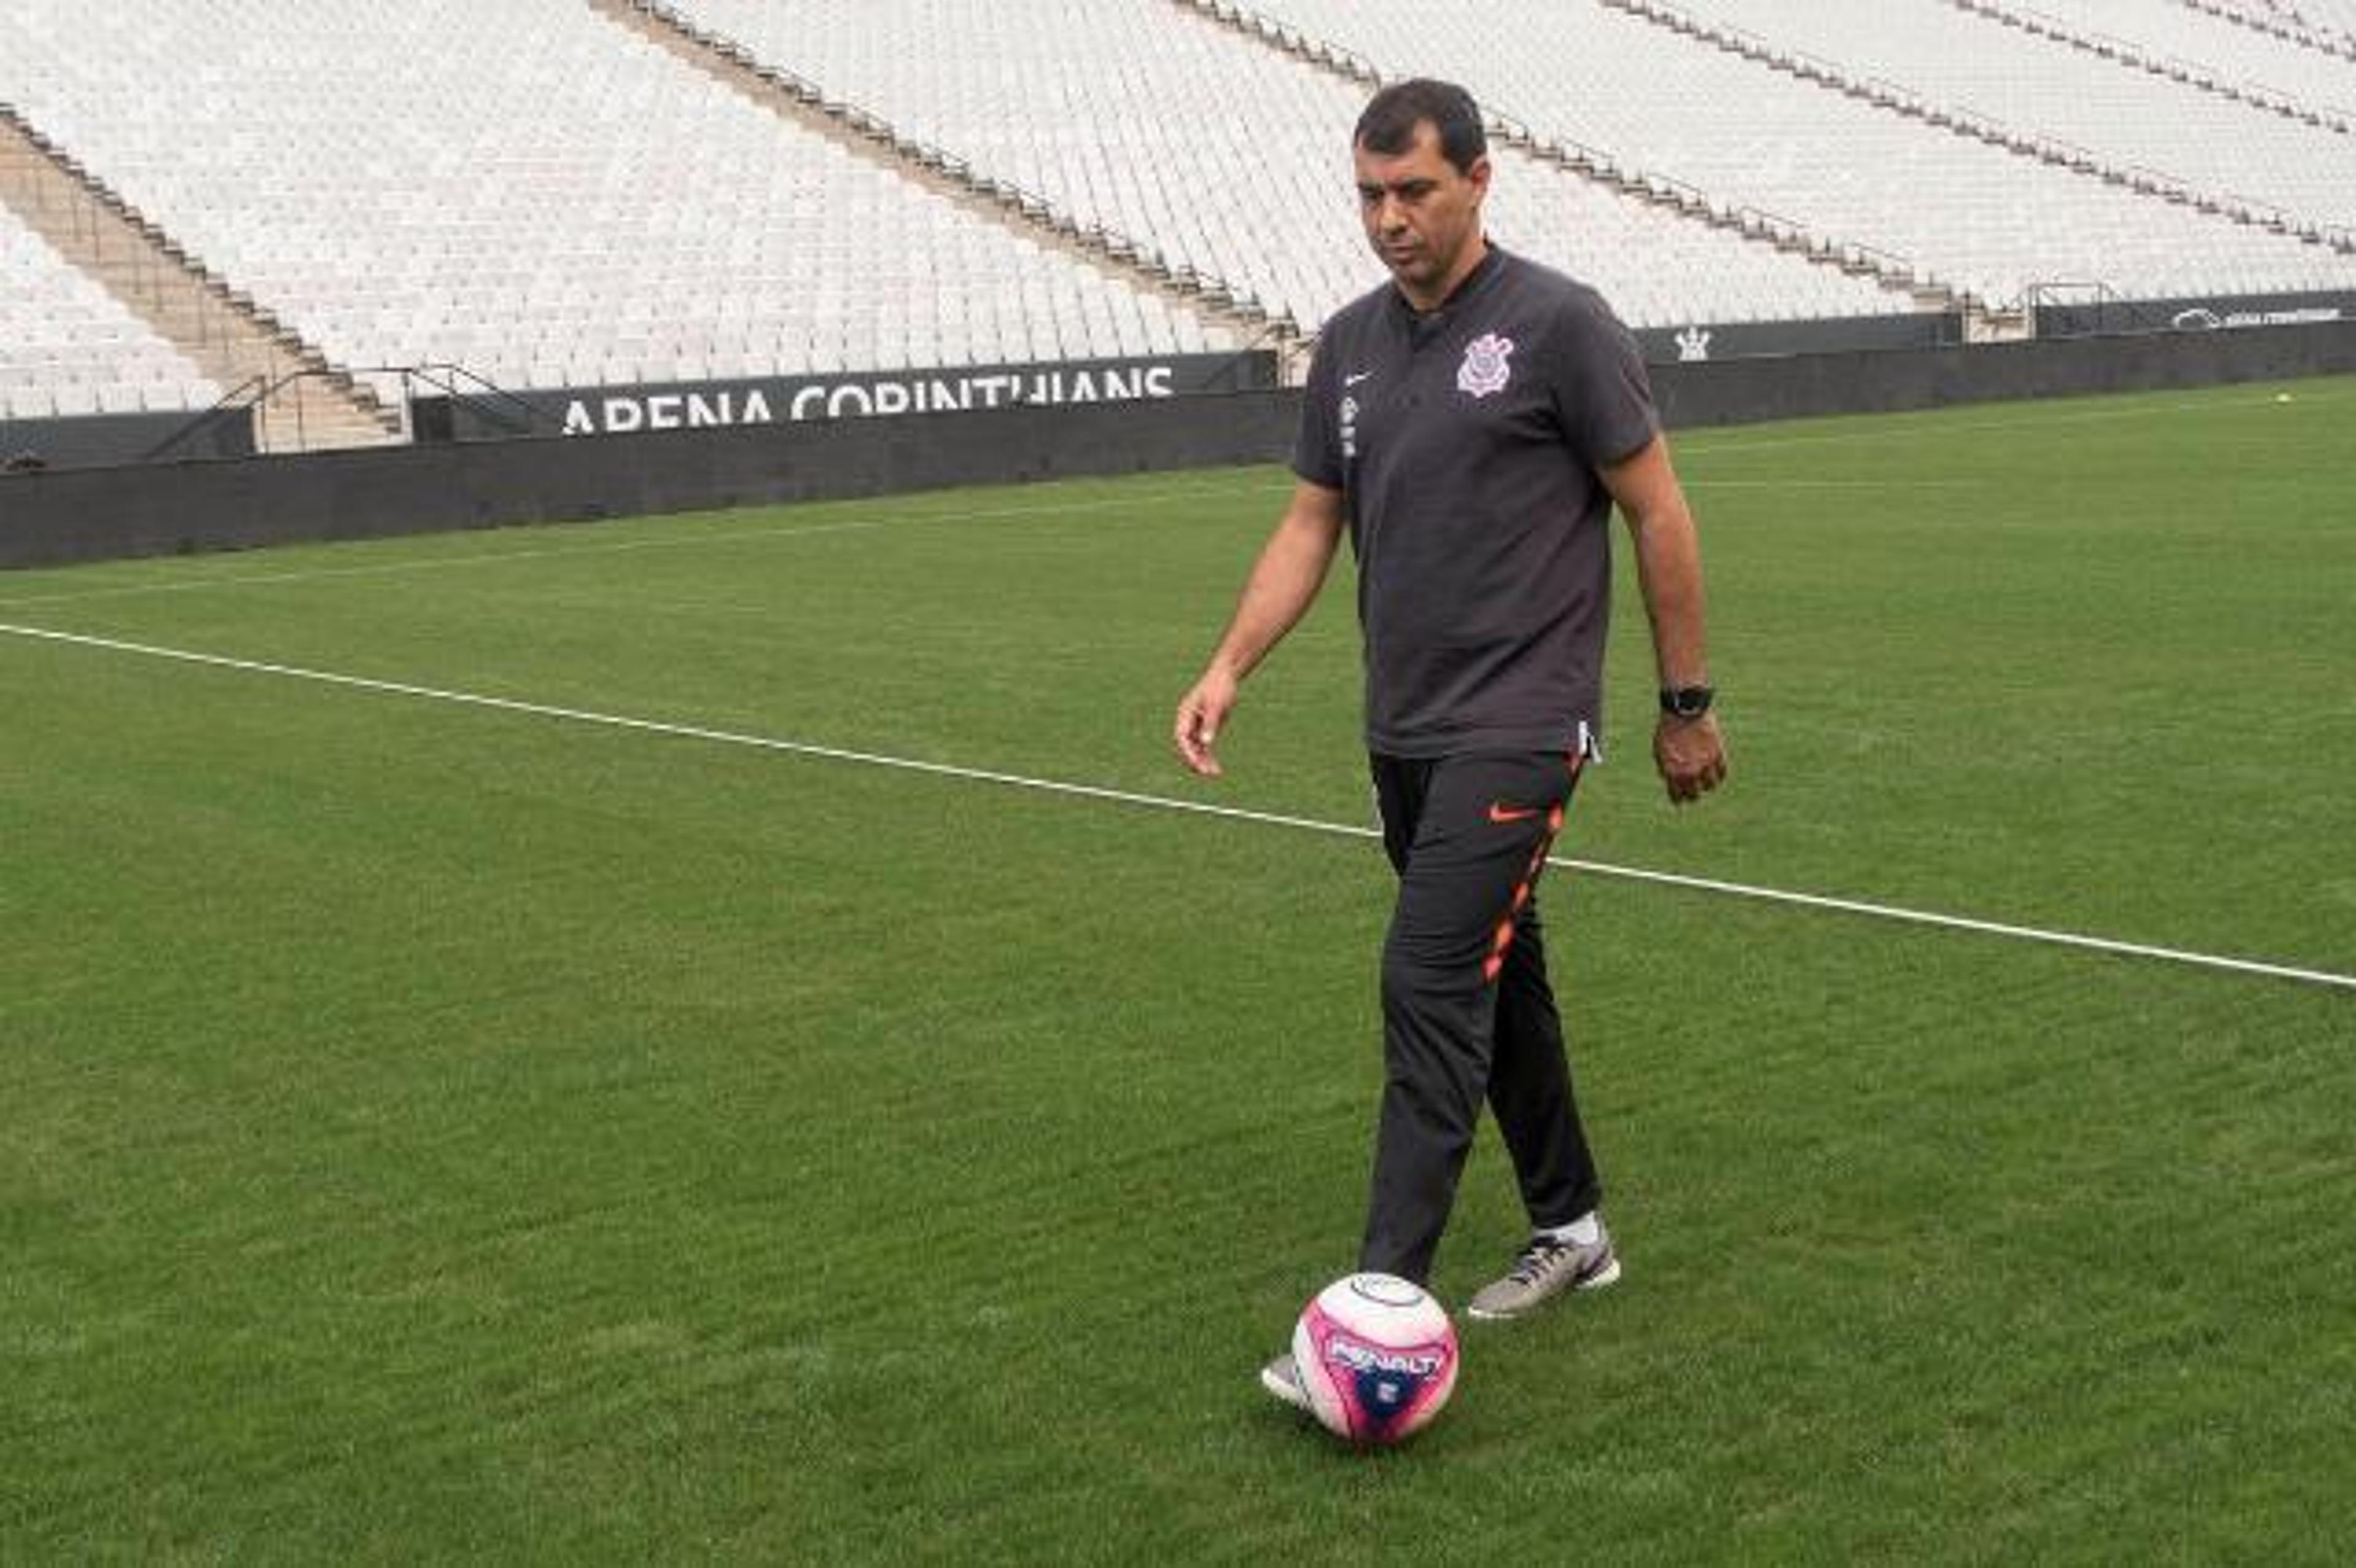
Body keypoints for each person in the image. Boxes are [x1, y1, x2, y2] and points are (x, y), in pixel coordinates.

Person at [1169, 79, 1727, 1408]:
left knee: (1427, 980)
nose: (1390, 219)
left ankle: (1374, 1319)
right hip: (1404, 728)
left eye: (1414, 191)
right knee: (1495, 970)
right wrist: (1229, 664)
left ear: (1481, 179)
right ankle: (1573, 1228)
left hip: (1525, 723)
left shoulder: (1559, 326)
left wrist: (1685, 703)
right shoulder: (1352, 345)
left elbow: (1657, 511)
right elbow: (1312, 525)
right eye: (1369, 195)